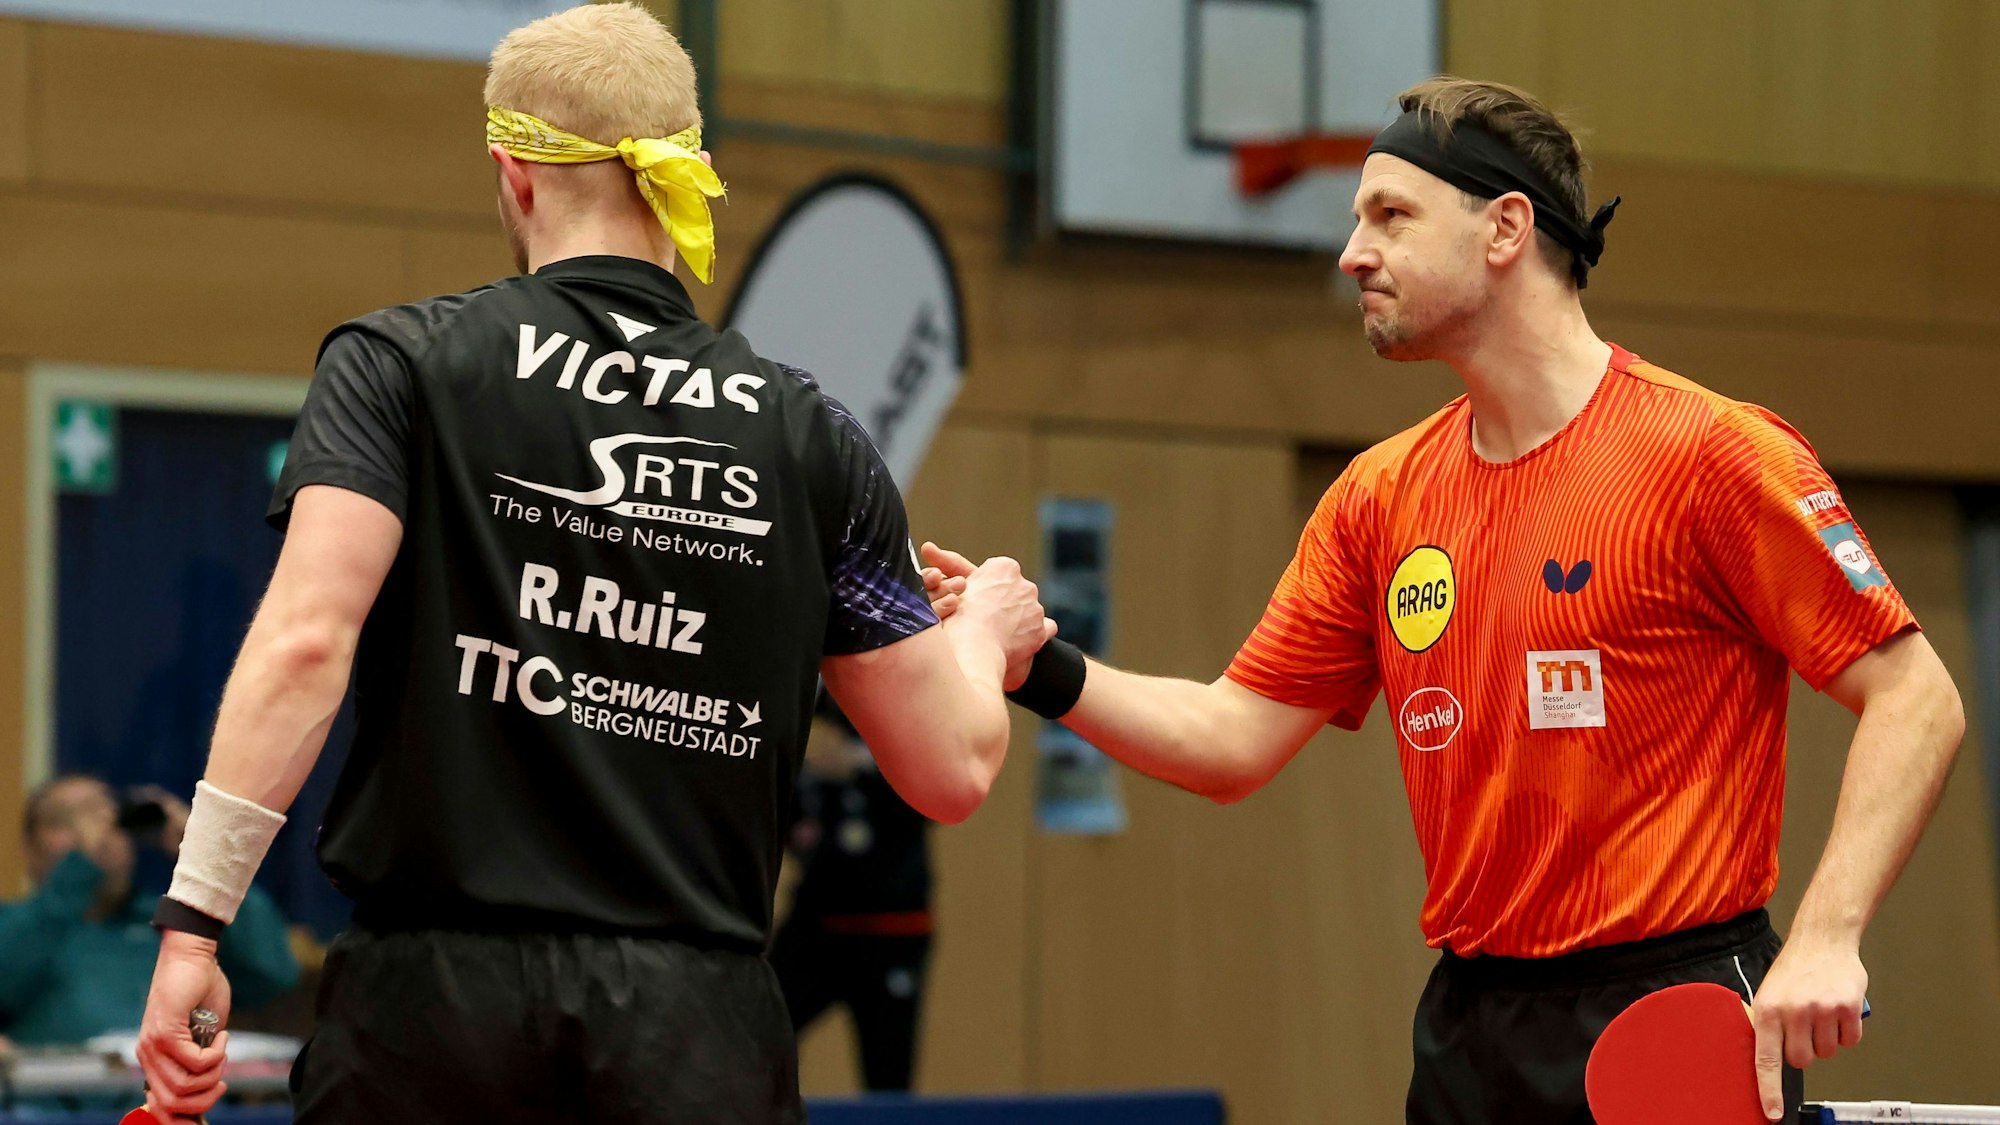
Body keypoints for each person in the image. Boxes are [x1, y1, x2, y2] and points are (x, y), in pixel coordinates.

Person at [924, 77, 1965, 1124]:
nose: (1350, 254)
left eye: (1388, 215)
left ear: (1504, 227)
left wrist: (1829, 933)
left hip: (1675, 1009)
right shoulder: (1378, 499)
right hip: (1470, 1032)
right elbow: (1227, 737)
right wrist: (1036, 665)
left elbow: (1915, 697)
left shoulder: (1710, 455)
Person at [130, 5, 1050, 1123]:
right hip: (695, 1037)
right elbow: (950, 767)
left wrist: (194, 926)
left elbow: (307, 641)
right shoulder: (811, 436)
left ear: (511, 169)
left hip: (433, 1022)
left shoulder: (402, 364)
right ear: (684, 174)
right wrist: (981, 633)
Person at [0, 776, 297, 1046]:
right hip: (52, 1101)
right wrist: (80, 867)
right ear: (29, 849)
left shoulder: (166, 923)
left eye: (108, 814)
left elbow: (270, 976)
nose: (95, 829)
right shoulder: (14, 925)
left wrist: (206, 857)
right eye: (66, 820)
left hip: (168, 1098)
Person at [772, 698, 935, 1091]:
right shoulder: (811, 746)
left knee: (888, 1071)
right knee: (759, 1031)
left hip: (892, 931)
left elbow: (935, 804)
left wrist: (859, 768)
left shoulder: (907, 734)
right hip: (816, 929)